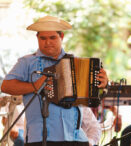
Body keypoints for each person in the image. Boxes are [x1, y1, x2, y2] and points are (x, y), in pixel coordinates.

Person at [1, 15, 108, 146]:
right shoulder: (27, 62)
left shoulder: (76, 63)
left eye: (52, 37)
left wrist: (103, 85)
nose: (47, 42)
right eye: (43, 38)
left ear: (61, 37)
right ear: (37, 38)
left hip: (76, 139)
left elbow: (93, 97)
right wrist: (35, 86)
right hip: (40, 139)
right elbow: (6, 86)